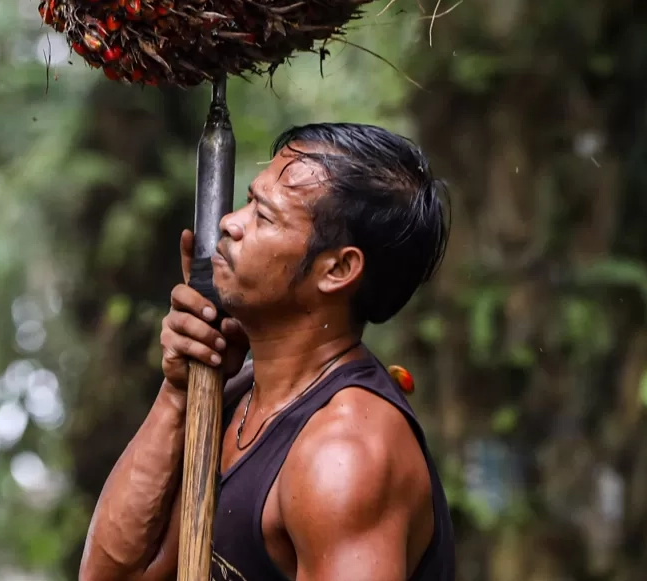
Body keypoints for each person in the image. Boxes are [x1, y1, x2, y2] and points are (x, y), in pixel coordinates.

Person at [78, 123, 454, 581]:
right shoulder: (238, 393)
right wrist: (180, 390)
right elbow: (112, 575)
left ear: (337, 268)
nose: (229, 222)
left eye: (264, 216)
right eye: (248, 201)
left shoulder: (344, 457)